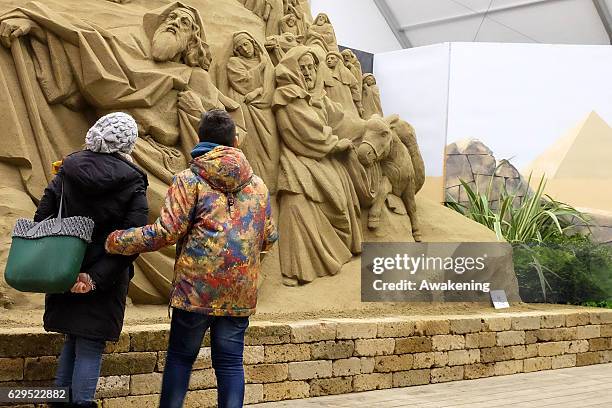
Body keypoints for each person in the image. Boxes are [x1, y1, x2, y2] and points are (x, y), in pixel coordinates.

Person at [105, 109, 278, 408]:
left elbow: (166, 232)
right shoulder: (258, 186)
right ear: (235, 141)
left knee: (181, 360)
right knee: (230, 363)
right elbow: (270, 237)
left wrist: (117, 240)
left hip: (195, 291)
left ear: (200, 140)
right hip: (238, 293)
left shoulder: (189, 180)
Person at [35, 112, 149, 407]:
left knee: (73, 341)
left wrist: (69, 268)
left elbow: (42, 218)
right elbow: (131, 240)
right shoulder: (134, 180)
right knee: (88, 345)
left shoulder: (67, 169)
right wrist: (93, 277)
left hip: (64, 269)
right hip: (105, 280)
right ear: (128, 143)